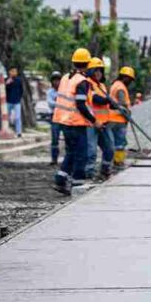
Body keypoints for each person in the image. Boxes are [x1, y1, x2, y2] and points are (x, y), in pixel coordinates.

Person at [51, 49, 98, 195]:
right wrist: (94, 120)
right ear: (87, 65)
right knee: (81, 154)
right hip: (75, 122)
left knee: (71, 152)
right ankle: (78, 183)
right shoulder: (81, 81)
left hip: (63, 121)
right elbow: (81, 105)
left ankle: (60, 179)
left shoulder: (66, 77)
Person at [85, 57, 116, 181]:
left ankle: (105, 170)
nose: (98, 73)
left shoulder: (102, 85)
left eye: (100, 70)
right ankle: (88, 174)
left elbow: (106, 102)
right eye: (96, 70)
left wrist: (115, 105)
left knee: (109, 148)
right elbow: (95, 99)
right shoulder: (87, 83)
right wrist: (108, 100)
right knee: (91, 151)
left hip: (104, 123)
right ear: (90, 71)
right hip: (91, 123)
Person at [106, 66, 135, 169]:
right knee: (120, 143)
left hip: (111, 118)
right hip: (118, 119)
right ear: (125, 77)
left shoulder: (115, 85)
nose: (130, 81)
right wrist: (127, 114)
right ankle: (118, 163)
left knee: (112, 142)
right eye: (130, 79)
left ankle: (113, 162)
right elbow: (122, 104)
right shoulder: (121, 88)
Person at [47, 71, 62, 166]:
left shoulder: (64, 90)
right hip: (54, 116)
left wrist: (57, 102)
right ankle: (54, 159)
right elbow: (50, 103)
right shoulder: (50, 92)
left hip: (64, 116)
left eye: (58, 80)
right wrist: (60, 103)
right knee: (55, 139)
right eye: (54, 80)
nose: (56, 82)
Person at [5, 67, 24, 138]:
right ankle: (7, 130)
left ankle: (19, 132)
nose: (14, 72)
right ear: (9, 72)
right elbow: (4, 91)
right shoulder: (7, 80)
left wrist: (19, 98)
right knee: (6, 118)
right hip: (8, 102)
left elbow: (21, 90)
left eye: (15, 71)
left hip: (17, 102)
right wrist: (7, 83)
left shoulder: (19, 80)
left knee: (17, 117)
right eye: (12, 71)